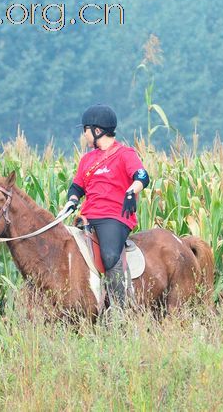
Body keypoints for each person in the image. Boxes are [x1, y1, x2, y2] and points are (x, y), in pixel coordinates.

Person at [61, 104, 150, 307]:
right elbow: (76, 187)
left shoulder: (125, 154)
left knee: (109, 256)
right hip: (88, 217)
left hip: (114, 217)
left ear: (97, 130)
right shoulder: (87, 159)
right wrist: (72, 201)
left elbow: (142, 176)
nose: (84, 135)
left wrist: (131, 190)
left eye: (85, 130)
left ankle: (120, 309)